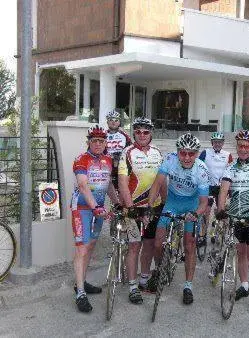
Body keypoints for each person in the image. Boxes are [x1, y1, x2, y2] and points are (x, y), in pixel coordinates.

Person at [147, 133, 209, 305]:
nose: (187, 157)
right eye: (183, 153)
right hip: (172, 204)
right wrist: (150, 206)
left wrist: (196, 214)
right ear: (177, 152)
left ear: (197, 154)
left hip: (191, 206)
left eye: (191, 153)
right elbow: (157, 184)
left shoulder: (202, 170)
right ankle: (159, 269)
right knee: (158, 243)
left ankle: (188, 286)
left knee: (189, 245)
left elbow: (204, 202)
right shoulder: (170, 160)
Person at [216, 130, 249, 313]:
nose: (243, 149)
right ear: (237, 147)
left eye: (247, 146)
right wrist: (221, 210)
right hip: (235, 218)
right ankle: (244, 286)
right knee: (240, 253)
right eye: (240, 146)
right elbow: (223, 190)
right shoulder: (230, 167)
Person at [71, 125, 120, 313]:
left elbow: (108, 187)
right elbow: (83, 186)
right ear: (89, 142)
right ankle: (80, 293)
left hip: (97, 209)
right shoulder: (81, 159)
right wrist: (97, 207)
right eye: (94, 141)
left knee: (91, 246)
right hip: (82, 208)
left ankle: (81, 282)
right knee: (82, 248)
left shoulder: (108, 160)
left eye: (101, 141)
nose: (98, 144)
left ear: (105, 143)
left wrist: (117, 203)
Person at [118, 117, 165, 304]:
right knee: (134, 245)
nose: (142, 135)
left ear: (151, 133)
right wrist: (130, 208)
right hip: (134, 208)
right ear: (134, 133)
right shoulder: (127, 153)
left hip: (154, 206)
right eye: (138, 131)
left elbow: (162, 181)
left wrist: (166, 203)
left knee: (151, 244)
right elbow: (122, 183)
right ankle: (132, 286)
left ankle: (144, 279)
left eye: (146, 132)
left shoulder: (157, 153)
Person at [198, 131, 233, 246]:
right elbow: (198, 167)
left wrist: (230, 188)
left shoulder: (227, 155)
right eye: (215, 142)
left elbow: (231, 171)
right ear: (212, 143)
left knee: (221, 212)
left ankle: (218, 233)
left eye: (220, 142)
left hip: (221, 188)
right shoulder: (205, 153)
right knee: (205, 212)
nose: (217, 144)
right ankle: (202, 236)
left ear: (223, 143)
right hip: (208, 186)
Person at [105, 109, 132, 191]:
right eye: (111, 120)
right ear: (107, 122)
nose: (113, 122)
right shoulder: (103, 134)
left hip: (120, 166)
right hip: (106, 165)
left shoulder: (124, 135)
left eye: (116, 120)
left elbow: (130, 149)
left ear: (119, 122)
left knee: (120, 189)